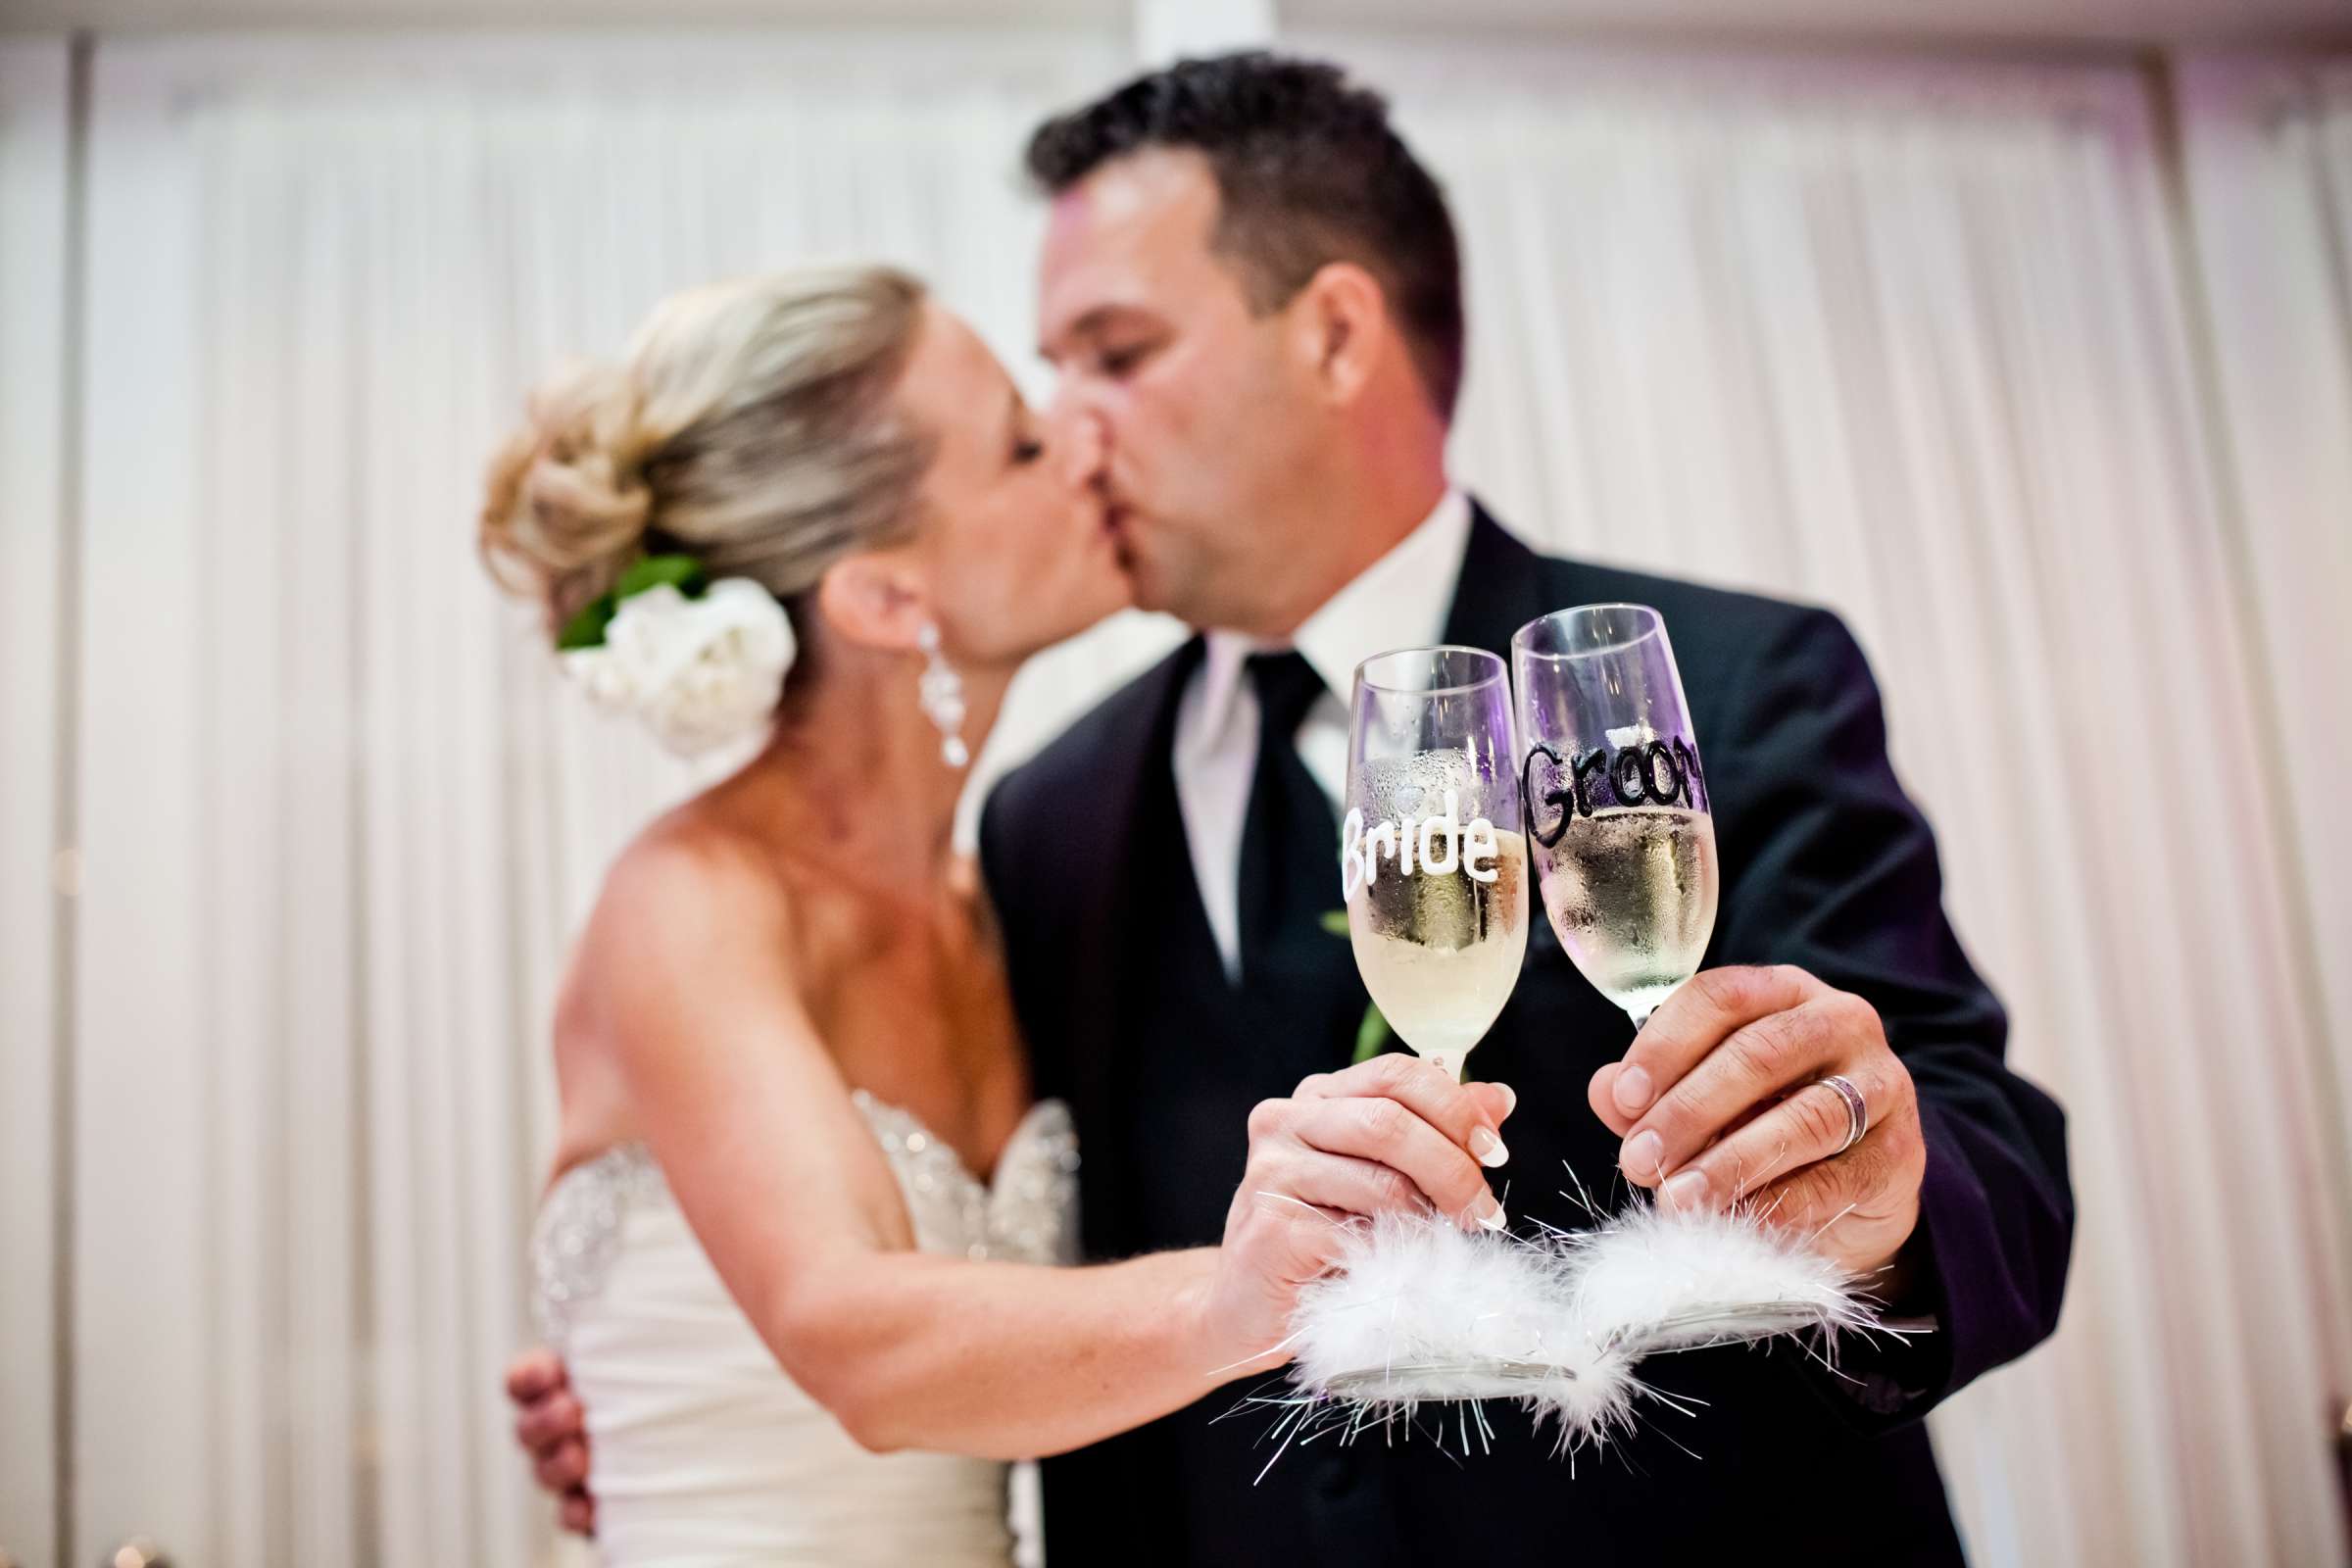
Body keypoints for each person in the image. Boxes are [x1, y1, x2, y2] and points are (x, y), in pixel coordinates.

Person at [514, 54, 2075, 1564]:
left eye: (1115, 355)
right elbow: (952, 1282)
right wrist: (677, 1387)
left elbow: (1992, 1159)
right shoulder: (1046, 825)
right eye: (1044, 381)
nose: (1073, 428)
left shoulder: (1728, 683)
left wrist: (1882, 1195)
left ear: (1333, 336)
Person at [485, 265, 1519, 1564]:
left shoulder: (1019, 886)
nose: (1085, 445)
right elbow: (851, 1330)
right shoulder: (685, 904)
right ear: (887, 599)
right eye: (1023, 445)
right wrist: (1239, 1294)